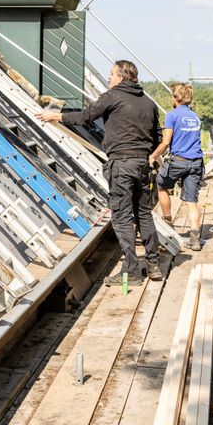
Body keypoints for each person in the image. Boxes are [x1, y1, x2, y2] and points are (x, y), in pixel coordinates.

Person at [36, 60, 162, 285]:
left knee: (122, 217)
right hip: (143, 165)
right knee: (144, 214)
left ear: (122, 77)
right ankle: (153, 265)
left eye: (111, 75)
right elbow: (157, 138)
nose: (109, 79)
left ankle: (131, 273)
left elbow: (85, 117)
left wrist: (56, 117)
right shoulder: (148, 103)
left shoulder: (112, 96)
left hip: (121, 165)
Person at [150, 83, 204, 252]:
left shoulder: (172, 115)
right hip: (196, 162)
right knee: (191, 201)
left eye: (172, 95)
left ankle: (168, 224)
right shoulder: (194, 116)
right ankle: (195, 239)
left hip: (178, 161)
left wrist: (152, 156)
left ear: (176, 97)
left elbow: (166, 142)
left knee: (161, 185)